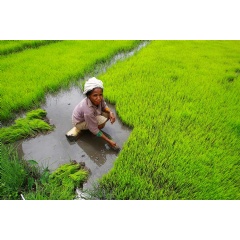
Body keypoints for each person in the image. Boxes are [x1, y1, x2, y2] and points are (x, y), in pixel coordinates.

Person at [66, 77, 118, 149]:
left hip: (90, 116)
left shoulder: (99, 99)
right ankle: (92, 133)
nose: (99, 98)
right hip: (79, 122)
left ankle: (93, 128)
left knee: (107, 114)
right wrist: (109, 141)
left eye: (100, 94)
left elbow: (104, 106)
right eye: (95, 95)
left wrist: (111, 112)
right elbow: (94, 129)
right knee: (101, 122)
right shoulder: (88, 110)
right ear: (88, 96)